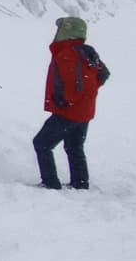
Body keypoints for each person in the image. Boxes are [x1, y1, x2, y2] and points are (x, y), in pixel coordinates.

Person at [34, 17, 110, 190]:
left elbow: (73, 84)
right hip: (85, 112)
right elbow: (103, 74)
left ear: (67, 31)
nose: (56, 33)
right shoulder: (86, 51)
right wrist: (87, 97)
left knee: (41, 144)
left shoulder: (68, 53)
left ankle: (50, 183)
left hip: (68, 113)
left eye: (60, 29)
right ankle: (80, 184)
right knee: (74, 146)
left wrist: (66, 101)